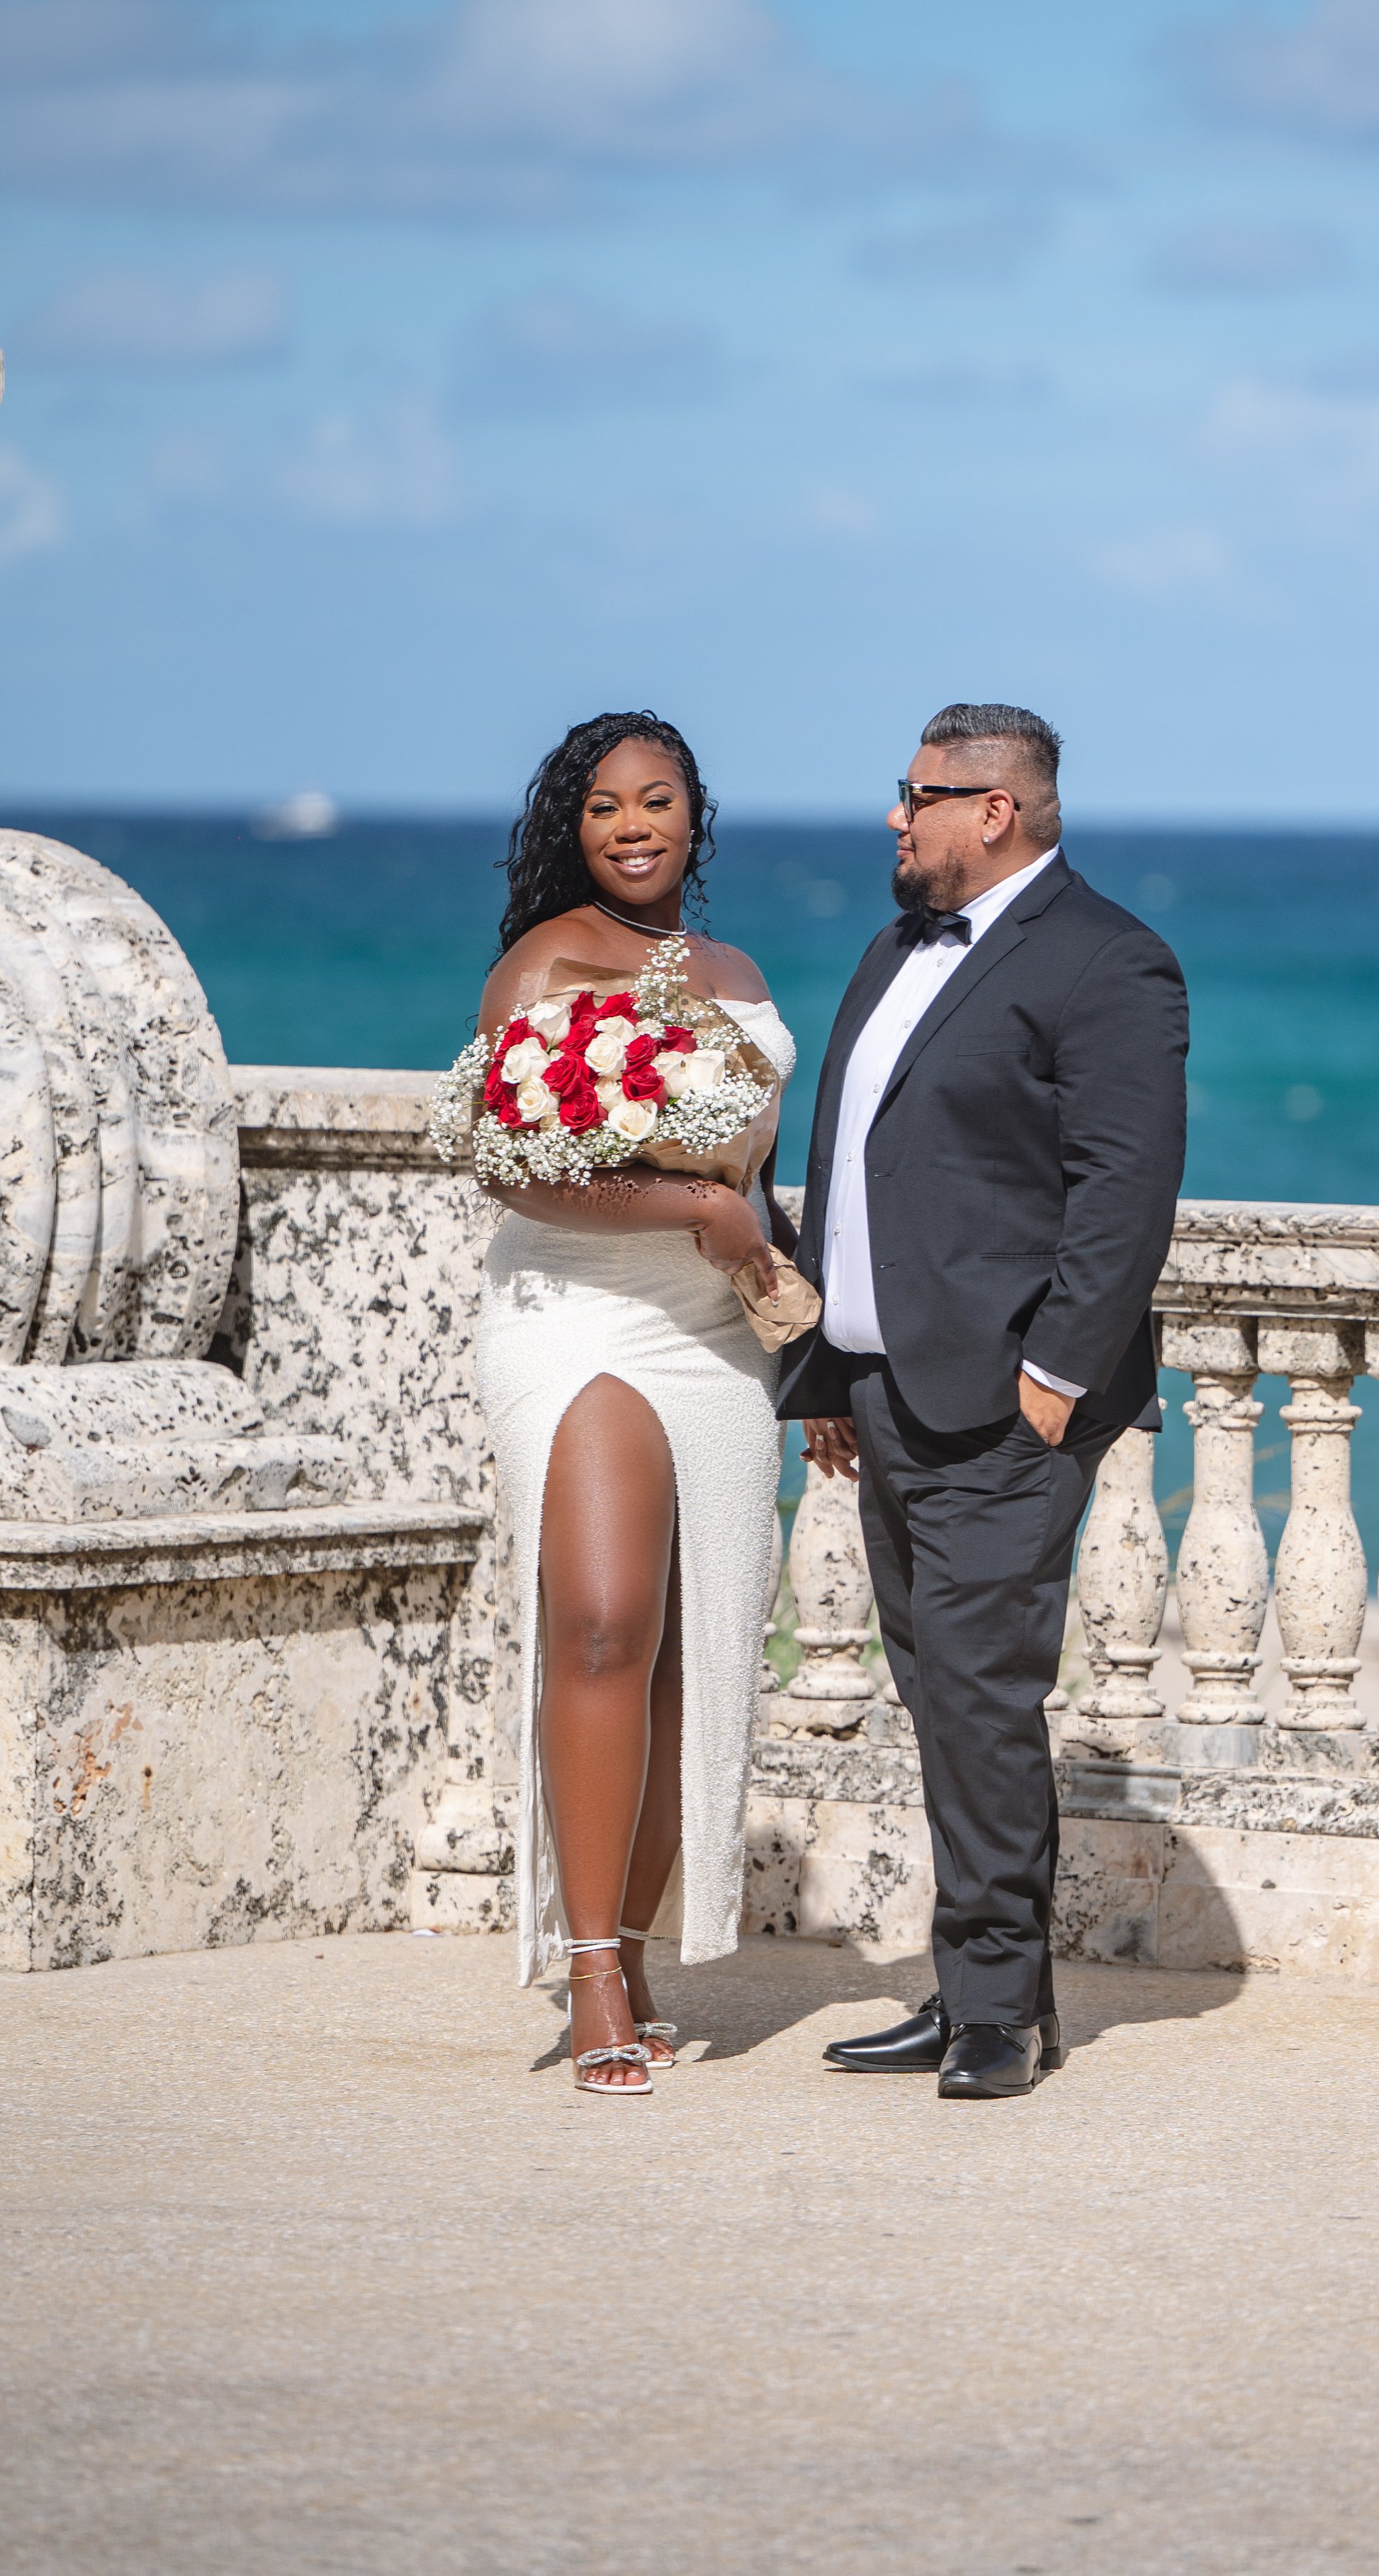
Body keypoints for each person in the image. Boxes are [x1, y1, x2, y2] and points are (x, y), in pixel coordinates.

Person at [778, 702, 1186, 2098]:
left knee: (980, 1696)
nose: (896, 819)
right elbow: (850, 1172)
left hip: (1008, 1410)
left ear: (995, 809)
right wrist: (827, 1365)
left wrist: (1053, 1380)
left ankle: (999, 2016)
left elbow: (1122, 1193)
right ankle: (967, 1990)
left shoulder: (1108, 960)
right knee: (936, 1698)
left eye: (918, 796)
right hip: (885, 1396)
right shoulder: (895, 946)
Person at [473, 712, 795, 2093]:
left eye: (654, 800)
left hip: (718, 1329)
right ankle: (589, 1964)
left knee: (689, 1647)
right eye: (601, 806)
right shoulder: (544, 961)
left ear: (692, 815)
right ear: (573, 825)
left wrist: (803, 1340)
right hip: (575, 1309)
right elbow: (508, 1159)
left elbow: (767, 1178)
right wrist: (691, 1205)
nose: (629, 826)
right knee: (603, 1615)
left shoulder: (734, 971)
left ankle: (639, 1944)